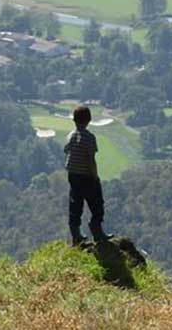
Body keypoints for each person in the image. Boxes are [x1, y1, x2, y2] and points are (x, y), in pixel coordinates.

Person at [64, 105, 107, 246]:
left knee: (75, 204)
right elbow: (90, 159)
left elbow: (67, 151)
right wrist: (95, 176)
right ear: (89, 120)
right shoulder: (89, 137)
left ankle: (76, 235)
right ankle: (97, 232)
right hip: (87, 176)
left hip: (73, 175)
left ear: (74, 120)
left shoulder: (70, 136)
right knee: (97, 204)